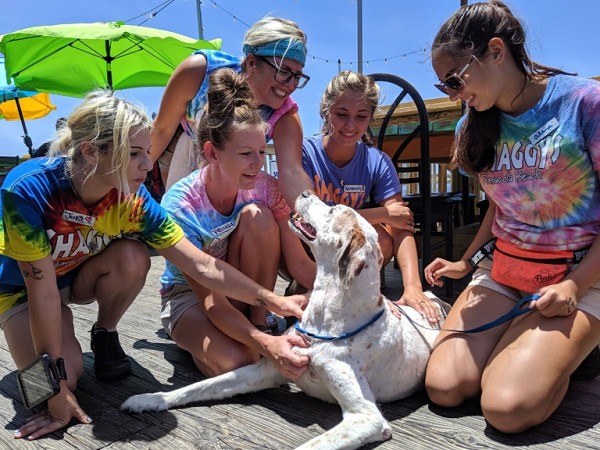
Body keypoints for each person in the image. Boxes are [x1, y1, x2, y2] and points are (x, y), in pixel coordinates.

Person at [0, 90, 307, 440]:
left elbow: (201, 264)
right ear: (89, 152)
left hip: (75, 279)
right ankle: (55, 343)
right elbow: (41, 294)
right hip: (23, 293)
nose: (148, 165)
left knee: (133, 255)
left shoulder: (132, 198)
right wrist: (54, 391)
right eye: (134, 154)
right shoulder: (28, 189)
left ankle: (104, 332)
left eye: (147, 152)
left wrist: (273, 300)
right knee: (52, 387)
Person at [423, 0, 600, 433]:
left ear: (496, 51)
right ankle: (536, 350)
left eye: (454, 79)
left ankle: (575, 352)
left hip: (578, 275)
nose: (451, 94)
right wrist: (467, 261)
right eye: (443, 84)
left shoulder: (583, 103)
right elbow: (501, 206)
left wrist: (575, 286)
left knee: (506, 408)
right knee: (445, 387)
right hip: (506, 270)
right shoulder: (473, 123)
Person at [160, 68, 315, 379]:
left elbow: (299, 264)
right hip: (190, 295)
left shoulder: (265, 188)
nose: (257, 164)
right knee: (240, 362)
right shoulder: (181, 204)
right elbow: (211, 298)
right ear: (212, 153)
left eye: (261, 152)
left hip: (244, 291)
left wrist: (349, 293)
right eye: (245, 154)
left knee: (259, 216)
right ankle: (221, 338)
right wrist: (265, 345)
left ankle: (258, 323)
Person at [302, 70, 441, 324]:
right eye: (341, 114)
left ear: (370, 118)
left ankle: (346, 295)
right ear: (326, 112)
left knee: (384, 239)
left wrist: (413, 287)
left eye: (361, 116)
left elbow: (402, 224)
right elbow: (308, 219)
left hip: (346, 255)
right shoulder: (306, 154)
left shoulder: (377, 161)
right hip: (307, 249)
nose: (350, 125)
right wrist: (382, 214)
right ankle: (307, 286)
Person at [150, 16, 314, 206]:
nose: (291, 85)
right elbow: (162, 130)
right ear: (251, 62)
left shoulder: (286, 114)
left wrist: (316, 214)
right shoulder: (198, 71)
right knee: (179, 212)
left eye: (297, 76)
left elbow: (292, 172)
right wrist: (125, 186)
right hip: (186, 151)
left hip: (235, 169)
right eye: (283, 71)